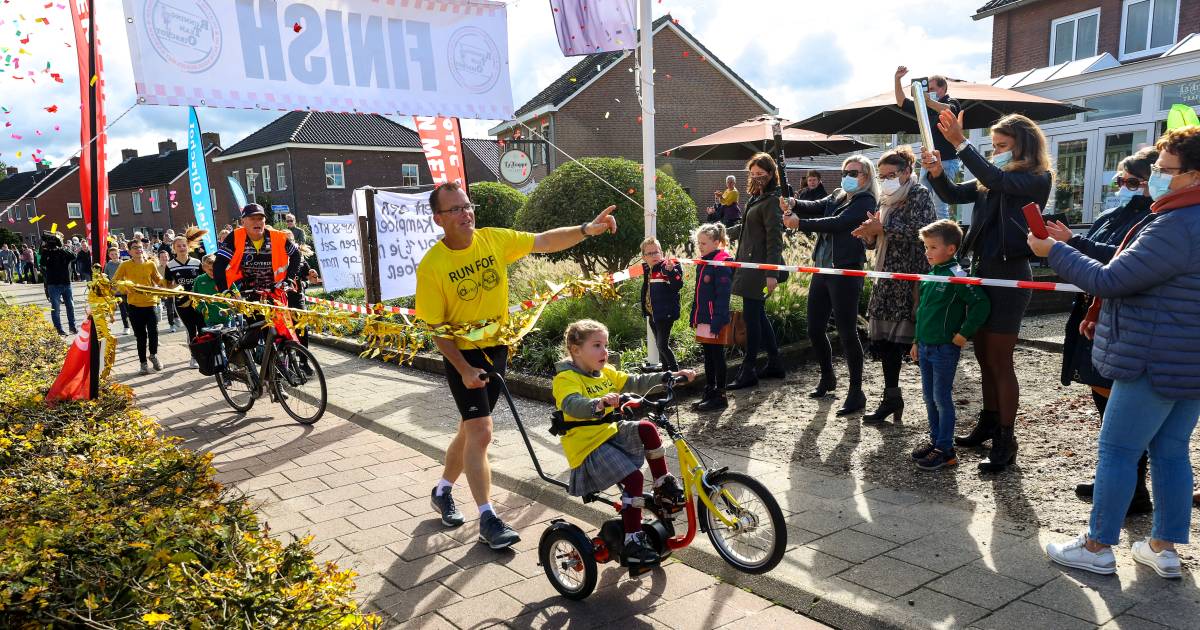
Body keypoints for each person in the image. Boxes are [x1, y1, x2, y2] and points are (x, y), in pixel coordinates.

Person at [415, 181, 618, 550]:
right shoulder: (432, 266)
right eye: (456, 209)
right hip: (464, 356)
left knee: (469, 430)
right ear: (438, 219)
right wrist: (462, 368)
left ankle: (442, 490)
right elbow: (437, 332)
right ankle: (488, 519)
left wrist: (587, 229)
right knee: (482, 433)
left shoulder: (493, 239)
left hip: (498, 349)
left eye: (467, 205)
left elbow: (543, 240)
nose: (466, 213)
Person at [1039, 125, 1200, 580]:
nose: (1156, 179)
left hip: (1152, 356)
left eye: (1166, 170)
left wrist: (1054, 250)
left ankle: (1097, 546)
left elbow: (1110, 280)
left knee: (1117, 450)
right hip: (1189, 358)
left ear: (1195, 174)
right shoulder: (1182, 219)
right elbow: (1135, 264)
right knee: (1171, 450)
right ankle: (1164, 548)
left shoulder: (1176, 223)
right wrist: (1074, 245)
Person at [923, 111, 1053, 473]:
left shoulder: (1036, 178)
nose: (995, 151)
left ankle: (1006, 439)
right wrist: (936, 172)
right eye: (992, 146)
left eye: (1001, 146)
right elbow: (953, 192)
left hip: (1010, 275)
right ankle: (989, 420)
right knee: (984, 359)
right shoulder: (991, 179)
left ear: (1023, 147)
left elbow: (993, 176)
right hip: (983, 271)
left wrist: (960, 144)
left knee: (999, 361)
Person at [1051, 147, 1158, 515]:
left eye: (1133, 182)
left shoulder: (1157, 219)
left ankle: (1133, 488)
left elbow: (1121, 260)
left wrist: (1073, 243)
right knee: (1105, 406)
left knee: (1129, 412)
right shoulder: (1113, 213)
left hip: (1122, 319)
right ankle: (1116, 478)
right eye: (1120, 180)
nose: (1124, 187)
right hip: (1093, 313)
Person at [552, 319, 693, 565]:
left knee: (648, 428)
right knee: (635, 479)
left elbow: (634, 381)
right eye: (597, 345)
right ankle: (632, 539)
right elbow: (572, 404)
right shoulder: (566, 379)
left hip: (609, 434)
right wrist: (598, 403)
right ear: (575, 350)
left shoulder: (606, 373)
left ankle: (663, 488)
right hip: (588, 448)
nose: (604, 352)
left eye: (605, 345)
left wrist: (669, 376)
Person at [781, 155, 878, 414]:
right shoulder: (837, 194)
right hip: (822, 268)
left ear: (866, 176)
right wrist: (793, 202)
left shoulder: (865, 200)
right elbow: (814, 205)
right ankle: (828, 376)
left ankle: (856, 391)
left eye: (854, 172)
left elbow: (839, 224)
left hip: (845, 271)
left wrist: (800, 224)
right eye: (845, 171)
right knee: (814, 328)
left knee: (847, 333)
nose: (847, 175)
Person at [851, 146, 937, 424]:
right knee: (885, 341)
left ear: (907, 172)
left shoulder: (919, 194)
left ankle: (936, 410)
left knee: (918, 343)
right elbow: (878, 240)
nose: (885, 179)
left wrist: (883, 230)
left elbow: (925, 234)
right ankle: (892, 397)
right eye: (882, 175)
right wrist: (869, 236)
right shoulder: (885, 199)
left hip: (910, 278)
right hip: (886, 277)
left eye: (890, 174)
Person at [910, 220, 990, 470]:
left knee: (941, 398)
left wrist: (963, 334)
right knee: (928, 397)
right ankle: (936, 442)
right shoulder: (930, 274)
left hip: (944, 348)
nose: (927, 252)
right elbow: (922, 311)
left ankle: (946, 449)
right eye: (926, 246)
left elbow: (981, 305)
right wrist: (915, 341)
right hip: (925, 346)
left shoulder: (957, 275)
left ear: (951, 249)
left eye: (933, 247)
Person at [726, 153, 786, 390]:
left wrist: (771, 272)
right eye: (753, 174)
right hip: (748, 265)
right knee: (758, 315)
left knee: (752, 318)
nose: (757, 178)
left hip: (759, 268)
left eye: (761, 174)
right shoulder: (756, 197)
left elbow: (774, 237)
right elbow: (747, 228)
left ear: (771, 174)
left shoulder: (772, 200)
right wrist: (722, 231)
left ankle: (749, 369)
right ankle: (775, 362)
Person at [894, 67, 962, 220]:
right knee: (922, 197)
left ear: (943, 88)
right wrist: (897, 79)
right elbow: (901, 102)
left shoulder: (950, 102)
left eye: (932, 88)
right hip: (928, 160)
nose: (929, 91)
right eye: (927, 89)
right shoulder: (924, 107)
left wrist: (928, 100)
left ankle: (944, 238)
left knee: (940, 201)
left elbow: (949, 110)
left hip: (945, 160)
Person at [213, 204, 302, 300]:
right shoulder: (234, 237)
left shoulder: (278, 237)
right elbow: (219, 263)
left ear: (265, 221)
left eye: (260, 219)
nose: (257, 222)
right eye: (252, 219)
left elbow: (296, 255)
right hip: (248, 294)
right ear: (243, 221)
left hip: (276, 293)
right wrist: (224, 289)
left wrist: (289, 278)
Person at [690, 223, 734, 411]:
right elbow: (698, 292)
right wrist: (694, 315)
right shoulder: (705, 261)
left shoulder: (720, 263)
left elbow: (723, 295)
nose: (700, 246)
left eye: (704, 243)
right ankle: (709, 390)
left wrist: (718, 320)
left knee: (717, 356)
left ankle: (720, 394)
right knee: (707, 356)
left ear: (716, 242)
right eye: (698, 243)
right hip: (704, 317)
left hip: (715, 318)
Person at [111, 240, 166, 374]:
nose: (138, 249)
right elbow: (115, 281)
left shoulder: (150, 264)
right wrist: (124, 286)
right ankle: (143, 363)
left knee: (154, 333)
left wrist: (166, 284)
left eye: (140, 247)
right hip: (134, 305)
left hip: (151, 303)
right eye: (134, 248)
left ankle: (153, 355)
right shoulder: (125, 265)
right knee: (141, 336)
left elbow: (159, 280)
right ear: (129, 251)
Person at [639, 237, 683, 371]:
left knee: (662, 345)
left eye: (656, 252)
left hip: (665, 313)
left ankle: (675, 371)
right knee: (659, 346)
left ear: (662, 253)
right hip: (653, 314)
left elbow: (677, 285)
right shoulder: (649, 269)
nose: (654, 256)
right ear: (644, 257)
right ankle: (665, 371)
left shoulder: (666, 266)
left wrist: (671, 271)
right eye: (649, 253)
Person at [164, 236, 206, 363]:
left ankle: (204, 354)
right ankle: (194, 356)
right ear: (174, 249)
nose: (182, 248)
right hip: (181, 303)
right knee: (191, 330)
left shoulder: (197, 263)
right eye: (178, 246)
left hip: (198, 301)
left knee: (203, 328)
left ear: (188, 247)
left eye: (184, 245)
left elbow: (204, 280)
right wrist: (176, 286)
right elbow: (167, 286)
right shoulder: (170, 265)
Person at [39, 233, 78, 336]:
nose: (53, 244)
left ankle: (72, 327)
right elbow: (42, 263)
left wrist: (60, 247)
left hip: (66, 283)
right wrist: (46, 250)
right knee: (56, 308)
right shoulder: (47, 252)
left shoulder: (64, 252)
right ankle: (59, 329)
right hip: (53, 284)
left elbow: (74, 256)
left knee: (70, 306)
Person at [192, 255, 229, 327]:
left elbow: (236, 293)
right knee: (214, 338)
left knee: (231, 337)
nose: (213, 271)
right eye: (210, 270)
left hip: (227, 317)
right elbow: (194, 298)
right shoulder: (199, 280)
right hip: (210, 319)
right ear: (203, 267)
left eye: (215, 268)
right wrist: (202, 309)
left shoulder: (225, 277)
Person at [103, 245, 131, 334]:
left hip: (126, 289)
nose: (114, 256)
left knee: (130, 308)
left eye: (116, 254)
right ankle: (126, 326)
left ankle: (133, 324)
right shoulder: (108, 265)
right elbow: (106, 277)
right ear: (109, 255)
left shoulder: (124, 263)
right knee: (122, 309)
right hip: (116, 291)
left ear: (119, 254)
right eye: (112, 254)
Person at [155, 249, 179, 333]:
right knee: (162, 309)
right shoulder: (156, 269)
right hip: (160, 292)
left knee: (170, 308)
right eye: (162, 257)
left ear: (168, 257)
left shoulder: (173, 266)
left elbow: (177, 278)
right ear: (159, 258)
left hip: (171, 291)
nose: (164, 258)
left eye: (165, 256)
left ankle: (171, 324)